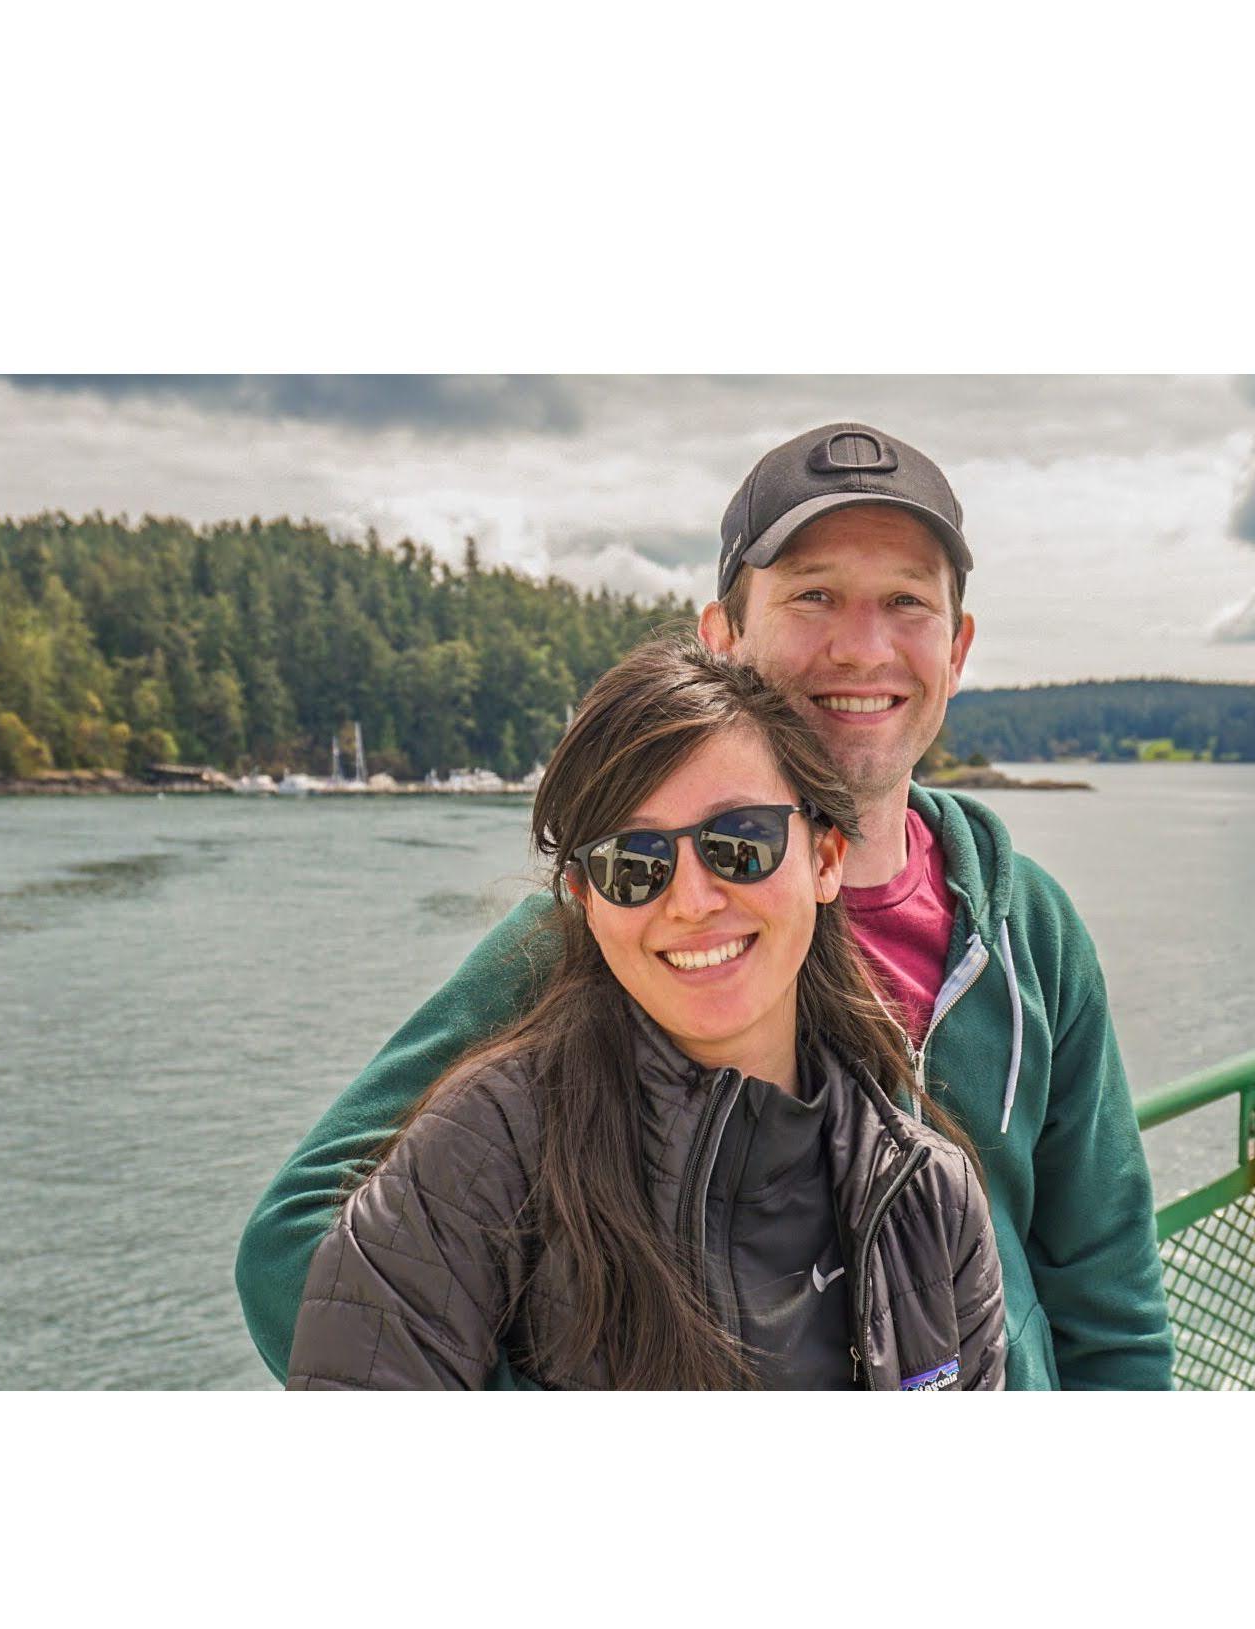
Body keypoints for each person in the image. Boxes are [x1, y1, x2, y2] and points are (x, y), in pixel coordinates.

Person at [239, 420, 1174, 1390]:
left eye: (905, 602)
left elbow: (1109, 1304)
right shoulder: (609, 930)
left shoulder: (1029, 925)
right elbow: (295, 1243)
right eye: (814, 596)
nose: (863, 648)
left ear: (959, 646)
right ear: (722, 639)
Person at [286, 635, 1004, 1390]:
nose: (692, 902)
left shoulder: (931, 1197)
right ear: (587, 902)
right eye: (636, 864)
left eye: (741, 842)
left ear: (824, 861)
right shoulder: (483, 1157)